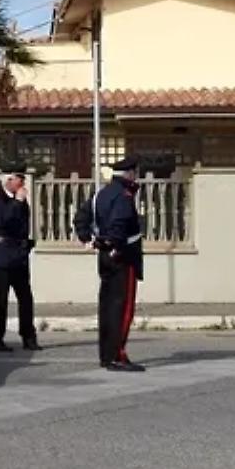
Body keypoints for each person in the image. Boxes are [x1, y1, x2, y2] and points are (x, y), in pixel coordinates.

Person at [91, 156, 145, 372]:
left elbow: (82, 217)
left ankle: (106, 355)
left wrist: (91, 238)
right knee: (122, 308)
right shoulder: (123, 196)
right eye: (135, 173)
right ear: (130, 174)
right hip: (122, 257)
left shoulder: (101, 194)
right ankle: (116, 355)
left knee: (107, 306)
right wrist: (116, 246)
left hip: (105, 255)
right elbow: (119, 224)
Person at [0, 162, 40, 352]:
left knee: (25, 297)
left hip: (19, 255)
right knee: (0, 297)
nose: (22, 182)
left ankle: (28, 336)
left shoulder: (20, 199)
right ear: (9, 179)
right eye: (19, 179)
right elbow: (1, 223)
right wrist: (17, 202)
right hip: (1, 255)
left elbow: (23, 225)